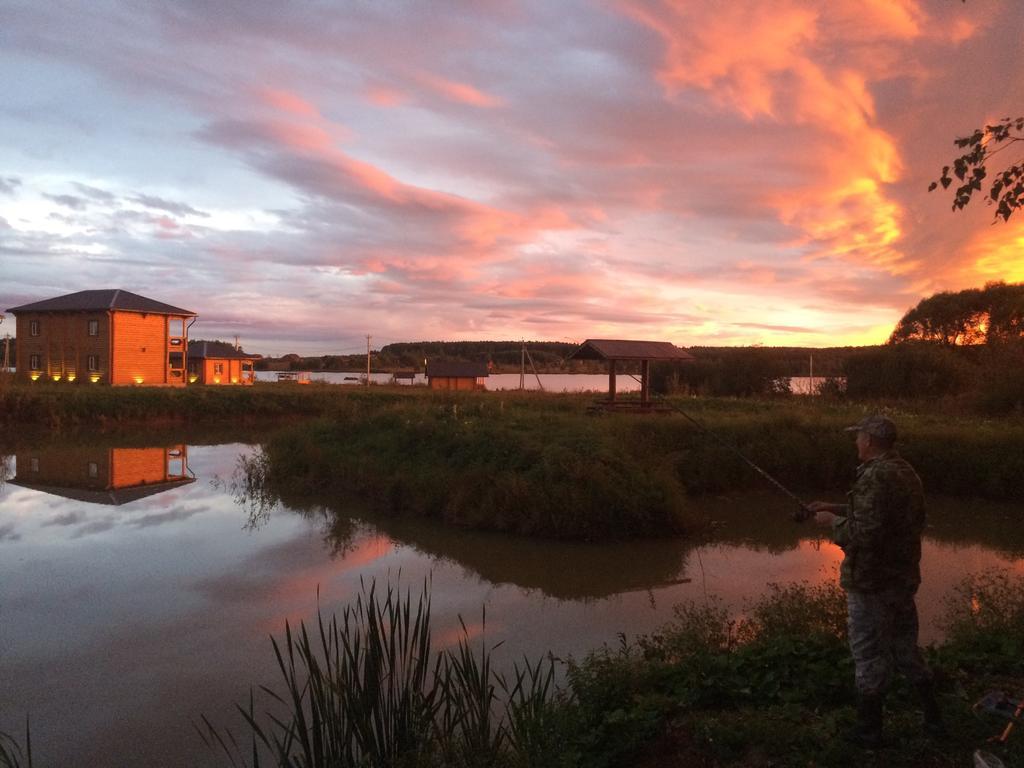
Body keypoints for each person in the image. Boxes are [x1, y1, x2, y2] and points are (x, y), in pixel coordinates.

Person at [808, 414, 945, 748]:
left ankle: (869, 733)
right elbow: (880, 514)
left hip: (871, 582)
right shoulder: (903, 471)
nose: (856, 442)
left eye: (858, 437)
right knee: (904, 648)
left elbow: (865, 533)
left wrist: (830, 521)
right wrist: (835, 506)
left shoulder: (875, 476)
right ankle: (934, 719)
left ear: (869, 441)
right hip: (900, 579)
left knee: (868, 654)